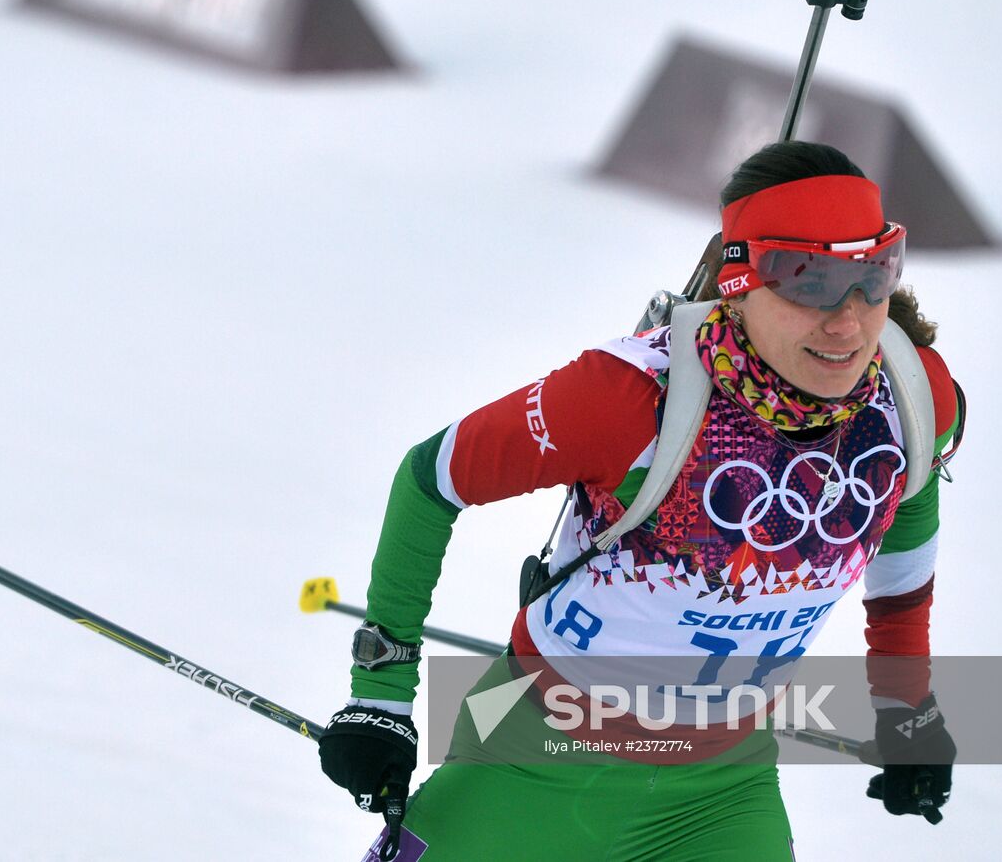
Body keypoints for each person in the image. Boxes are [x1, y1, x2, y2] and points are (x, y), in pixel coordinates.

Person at [318, 141, 961, 861]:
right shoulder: (628, 398)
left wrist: (906, 705)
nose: (848, 322)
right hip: (534, 750)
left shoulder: (911, 399)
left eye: (873, 276)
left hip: (720, 793)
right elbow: (429, 479)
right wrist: (379, 692)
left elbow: (905, 519)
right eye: (810, 282)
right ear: (742, 281)